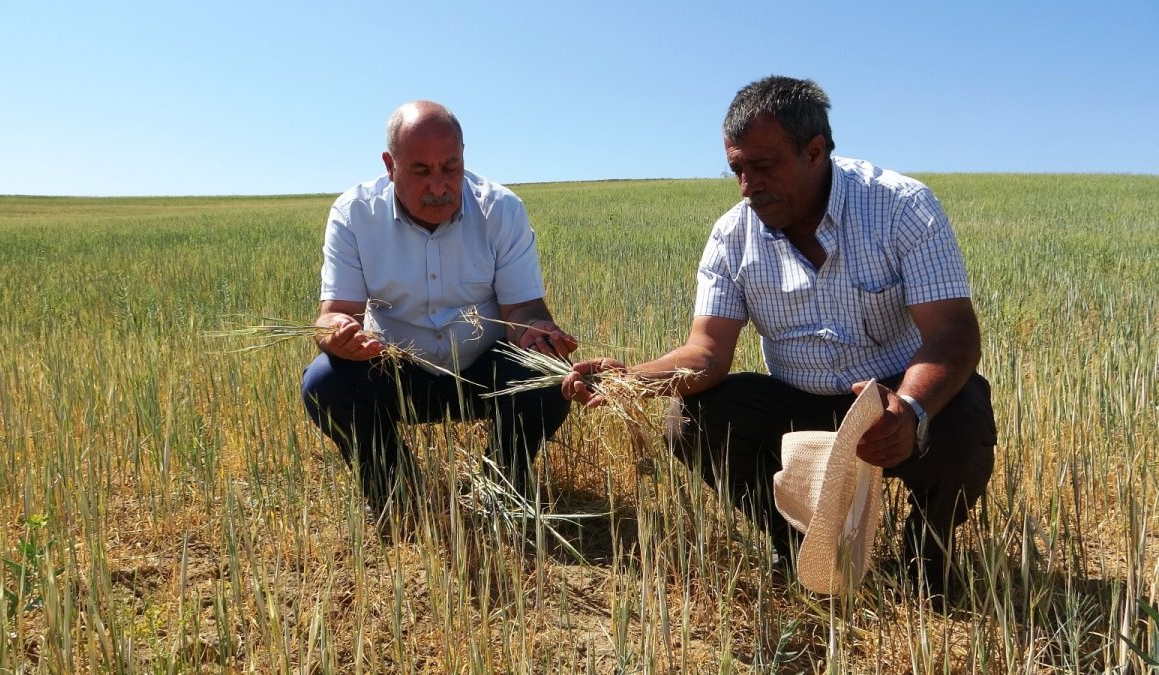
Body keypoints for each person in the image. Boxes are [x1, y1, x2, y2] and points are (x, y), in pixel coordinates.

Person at [563, 76, 996, 597]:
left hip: (891, 395)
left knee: (965, 416)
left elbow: (953, 334)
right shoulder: (732, 237)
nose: (748, 185)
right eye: (737, 169)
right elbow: (706, 353)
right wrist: (628, 379)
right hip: (798, 404)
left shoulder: (900, 207)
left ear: (815, 151)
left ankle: (926, 557)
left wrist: (909, 409)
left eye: (763, 166)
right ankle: (797, 546)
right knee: (690, 421)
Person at [302, 100, 577, 515]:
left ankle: (499, 484)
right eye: (420, 171)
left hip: (483, 370)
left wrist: (538, 333)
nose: (438, 187)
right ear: (389, 164)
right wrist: (337, 335)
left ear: (464, 157)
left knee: (547, 375)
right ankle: (396, 491)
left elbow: (523, 311)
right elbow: (334, 314)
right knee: (325, 383)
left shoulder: (502, 209)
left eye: (450, 168)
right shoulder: (354, 213)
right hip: (394, 368)